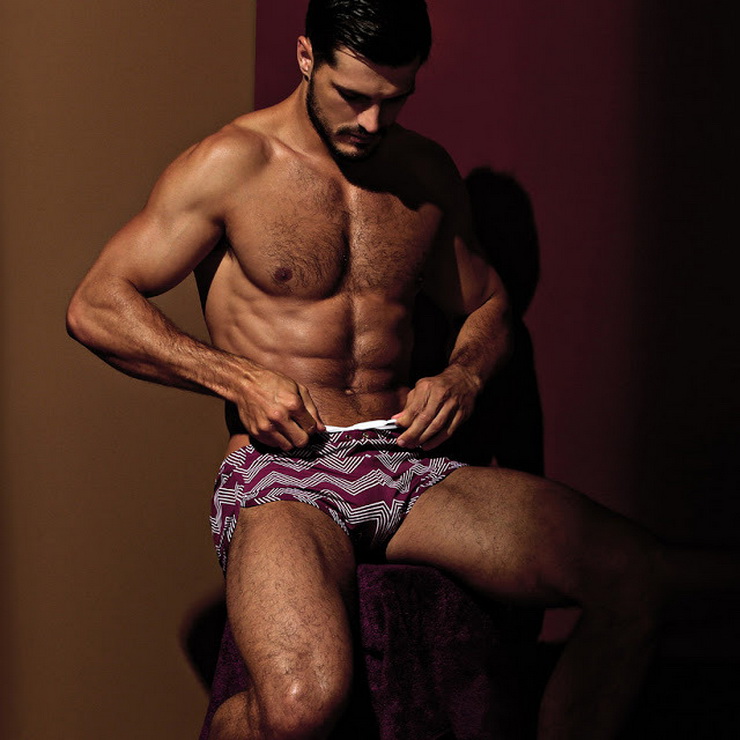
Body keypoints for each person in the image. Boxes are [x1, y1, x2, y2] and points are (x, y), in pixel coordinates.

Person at [66, 1, 738, 738]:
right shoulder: (231, 164)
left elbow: (488, 307)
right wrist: (240, 379)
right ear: (305, 57)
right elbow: (97, 304)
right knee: (299, 704)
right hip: (284, 470)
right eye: (352, 96)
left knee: (631, 575)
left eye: (394, 99)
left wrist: (464, 376)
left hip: (409, 464)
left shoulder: (423, 173)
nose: (371, 122)